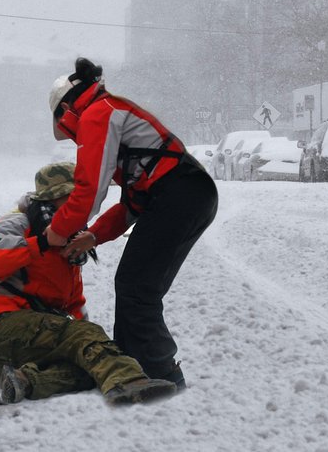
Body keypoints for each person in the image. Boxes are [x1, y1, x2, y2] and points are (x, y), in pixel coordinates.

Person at [45, 57, 219, 390]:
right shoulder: (110, 111)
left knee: (138, 287)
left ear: (67, 110)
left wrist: (57, 232)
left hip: (181, 194)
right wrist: (92, 236)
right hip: (185, 194)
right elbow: (131, 205)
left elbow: (89, 190)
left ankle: (164, 377)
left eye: (69, 135)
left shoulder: (98, 112)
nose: (73, 141)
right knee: (133, 283)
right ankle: (133, 368)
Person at [0, 162, 177, 406]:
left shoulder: (70, 239)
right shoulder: (21, 223)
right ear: (52, 197)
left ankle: (24, 380)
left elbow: (72, 304)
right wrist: (42, 243)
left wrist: (93, 346)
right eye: (72, 197)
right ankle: (128, 383)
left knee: (92, 365)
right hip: (3, 327)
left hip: (22, 347)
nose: (80, 206)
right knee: (87, 340)